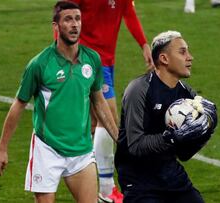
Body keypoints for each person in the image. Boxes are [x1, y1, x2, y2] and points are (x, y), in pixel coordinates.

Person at [0, 1, 118, 202]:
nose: (75, 24)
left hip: (82, 150)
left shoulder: (92, 59)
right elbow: (18, 105)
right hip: (47, 149)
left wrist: (118, 138)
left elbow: (99, 101)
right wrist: (2, 148)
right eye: (68, 19)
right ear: (56, 26)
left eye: (77, 19)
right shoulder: (40, 64)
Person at [65, 0, 154, 201]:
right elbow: (64, 15)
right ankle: (106, 189)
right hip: (86, 58)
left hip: (106, 59)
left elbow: (128, 12)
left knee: (93, 124)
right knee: (109, 119)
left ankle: (83, 180)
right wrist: (62, 54)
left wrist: (144, 44)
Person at [115, 30, 218, 202]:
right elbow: (135, 146)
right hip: (140, 182)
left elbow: (184, 154)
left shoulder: (187, 95)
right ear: (164, 59)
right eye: (182, 51)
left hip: (171, 176)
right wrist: (171, 138)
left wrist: (205, 131)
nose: (190, 57)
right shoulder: (138, 90)